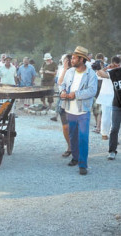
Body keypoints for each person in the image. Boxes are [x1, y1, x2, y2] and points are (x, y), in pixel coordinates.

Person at [60, 46, 98, 175]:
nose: (72, 60)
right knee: (72, 136)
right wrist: (63, 91)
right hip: (70, 109)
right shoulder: (70, 72)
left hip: (83, 111)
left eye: (75, 58)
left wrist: (76, 94)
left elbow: (92, 91)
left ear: (82, 59)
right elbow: (62, 85)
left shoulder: (91, 74)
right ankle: (75, 158)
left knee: (83, 138)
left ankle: (83, 164)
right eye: (72, 57)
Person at [97, 56, 121, 160]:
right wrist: (107, 67)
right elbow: (101, 74)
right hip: (117, 104)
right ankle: (112, 151)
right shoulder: (115, 72)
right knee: (114, 128)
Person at [56, 54, 72, 157]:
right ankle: (69, 146)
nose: (68, 62)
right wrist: (65, 69)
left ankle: (76, 148)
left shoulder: (78, 70)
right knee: (66, 127)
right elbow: (59, 82)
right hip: (63, 100)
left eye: (70, 60)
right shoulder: (62, 69)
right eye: (66, 60)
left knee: (75, 127)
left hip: (76, 100)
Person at [91, 53, 105, 134]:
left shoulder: (105, 72)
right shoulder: (94, 71)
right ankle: (97, 126)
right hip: (95, 94)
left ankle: (99, 127)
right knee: (95, 111)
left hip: (101, 94)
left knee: (99, 112)